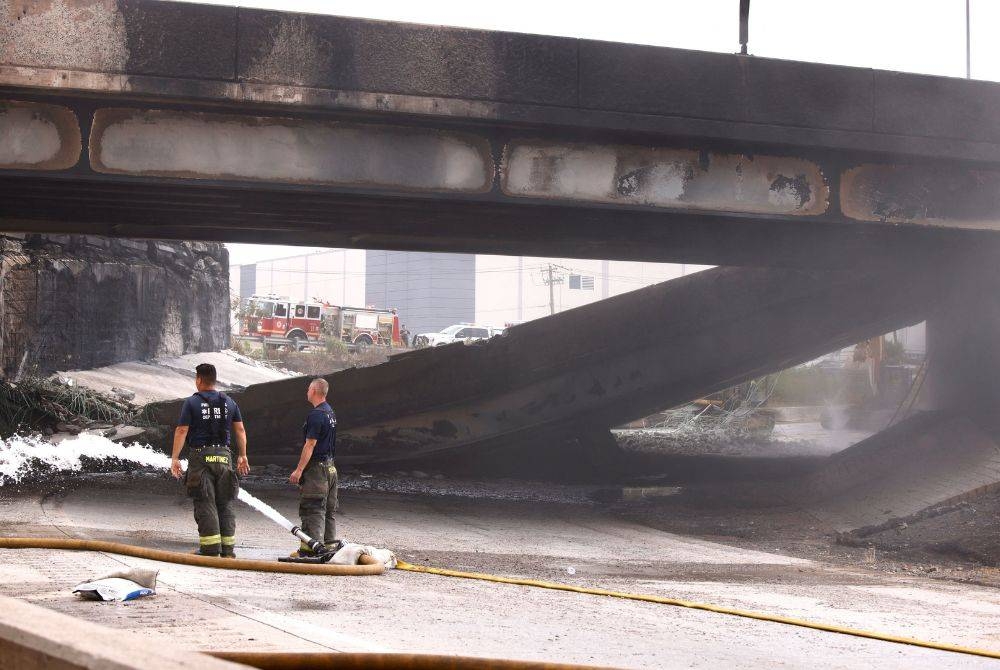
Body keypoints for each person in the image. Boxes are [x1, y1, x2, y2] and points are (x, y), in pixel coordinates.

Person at [171, 363, 249, 557]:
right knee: (225, 502)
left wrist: (175, 458)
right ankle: (228, 550)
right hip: (224, 457)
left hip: (201, 458)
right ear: (214, 380)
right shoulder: (230, 402)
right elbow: (240, 430)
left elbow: (182, 430)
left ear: (199, 379)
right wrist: (242, 455)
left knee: (205, 502)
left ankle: (210, 549)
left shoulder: (191, 402)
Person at [289, 377, 339, 557]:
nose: (306, 392)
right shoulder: (330, 412)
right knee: (328, 510)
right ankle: (330, 548)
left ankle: (312, 551)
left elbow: (310, 444)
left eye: (308, 389)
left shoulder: (316, 415)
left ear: (314, 391)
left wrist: (299, 470)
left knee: (313, 508)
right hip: (331, 468)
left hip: (317, 470)